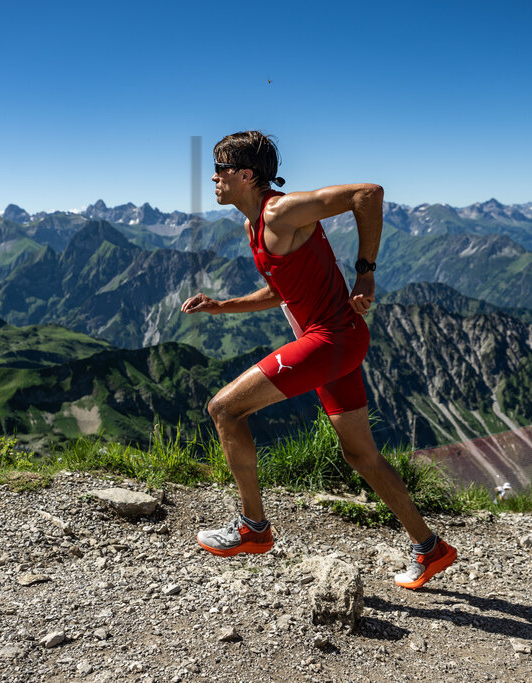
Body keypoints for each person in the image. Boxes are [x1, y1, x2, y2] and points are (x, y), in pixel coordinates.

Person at [181, 131, 456, 590]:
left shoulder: (279, 210)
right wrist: (221, 305)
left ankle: (253, 528)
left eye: (221, 168)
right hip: (337, 341)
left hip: (332, 339)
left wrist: (365, 275)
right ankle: (431, 549)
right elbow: (281, 291)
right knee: (361, 454)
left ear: (246, 175)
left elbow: (367, 194)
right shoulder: (257, 225)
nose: (213, 177)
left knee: (223, 409)